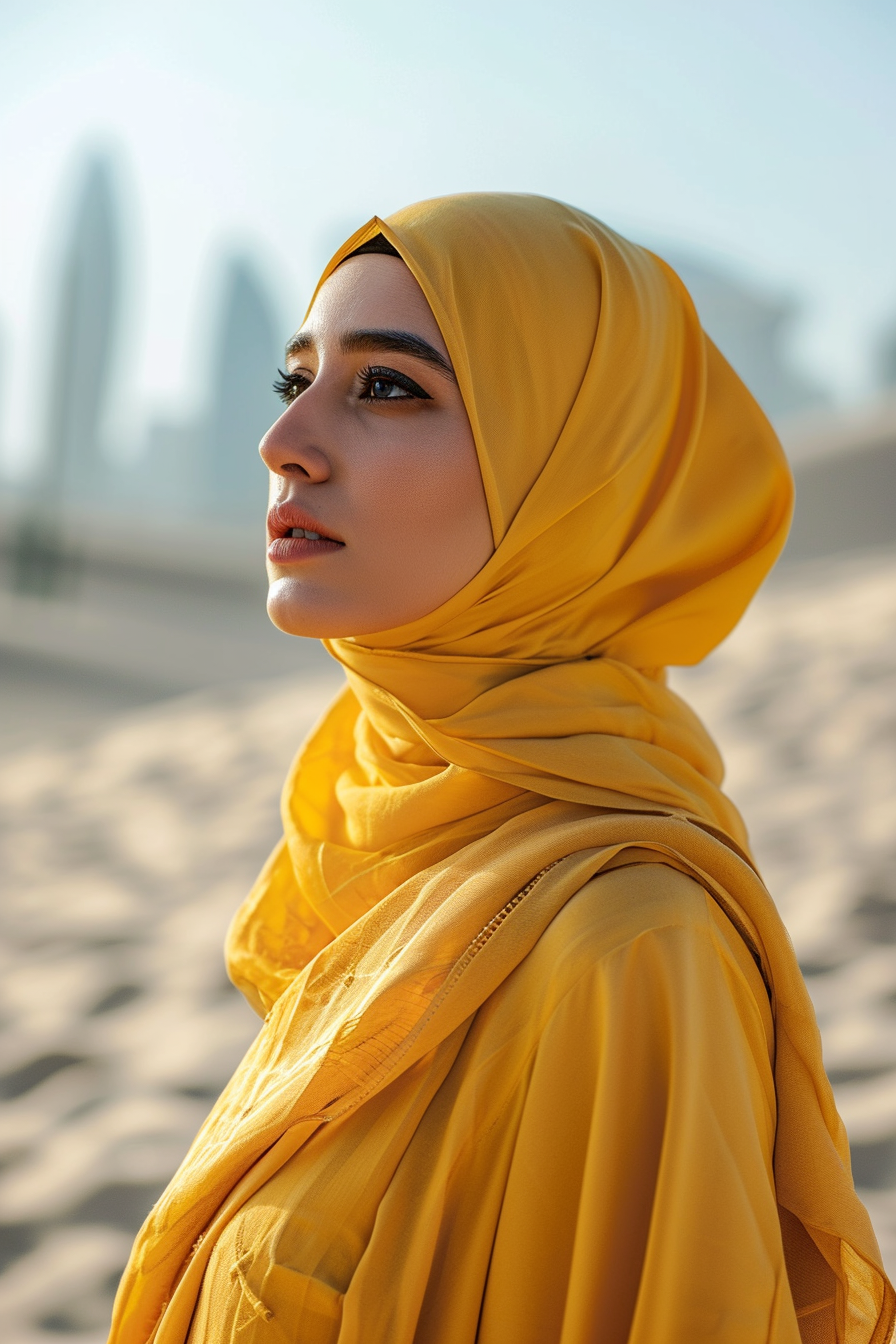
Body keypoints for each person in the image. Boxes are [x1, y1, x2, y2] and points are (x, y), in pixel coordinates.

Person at [108, 194, 894, 1344]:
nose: (285, 441)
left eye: (388, 387)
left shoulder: (634, 946)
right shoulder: (385, 840)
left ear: (567, 477)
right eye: (297, 381)